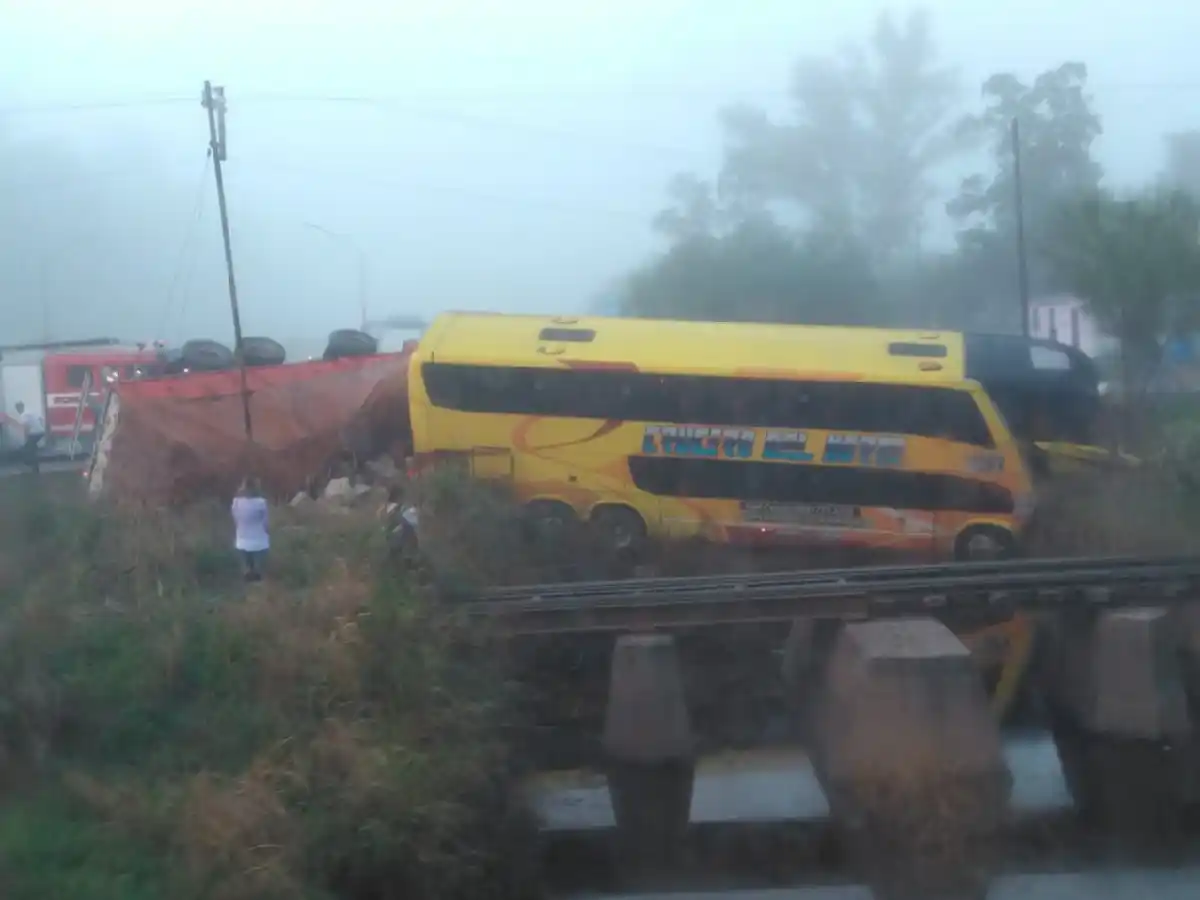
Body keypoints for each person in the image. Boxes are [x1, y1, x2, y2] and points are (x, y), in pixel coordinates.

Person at [231, 476, 270, 582]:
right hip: (259, 539)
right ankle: (257, 573)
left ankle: (247, 571)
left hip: (242, 538)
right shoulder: (261, 503)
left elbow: (235, 519)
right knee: (259, 557)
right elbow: (265, 522)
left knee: (245, 556)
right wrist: (267, 531)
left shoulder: (236, 502)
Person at [14, 402, 44, 474]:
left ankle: (34, 467)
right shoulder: (30, 411)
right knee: (30, 447)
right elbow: (40, 418)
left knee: (30, 449)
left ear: (19, 408)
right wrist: (40, 426)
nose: (17, 410)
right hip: (41, 431)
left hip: (34, 433)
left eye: (17, 408)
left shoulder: (24, 415)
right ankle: (31, 464)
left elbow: (26, 427)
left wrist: (26, 437)